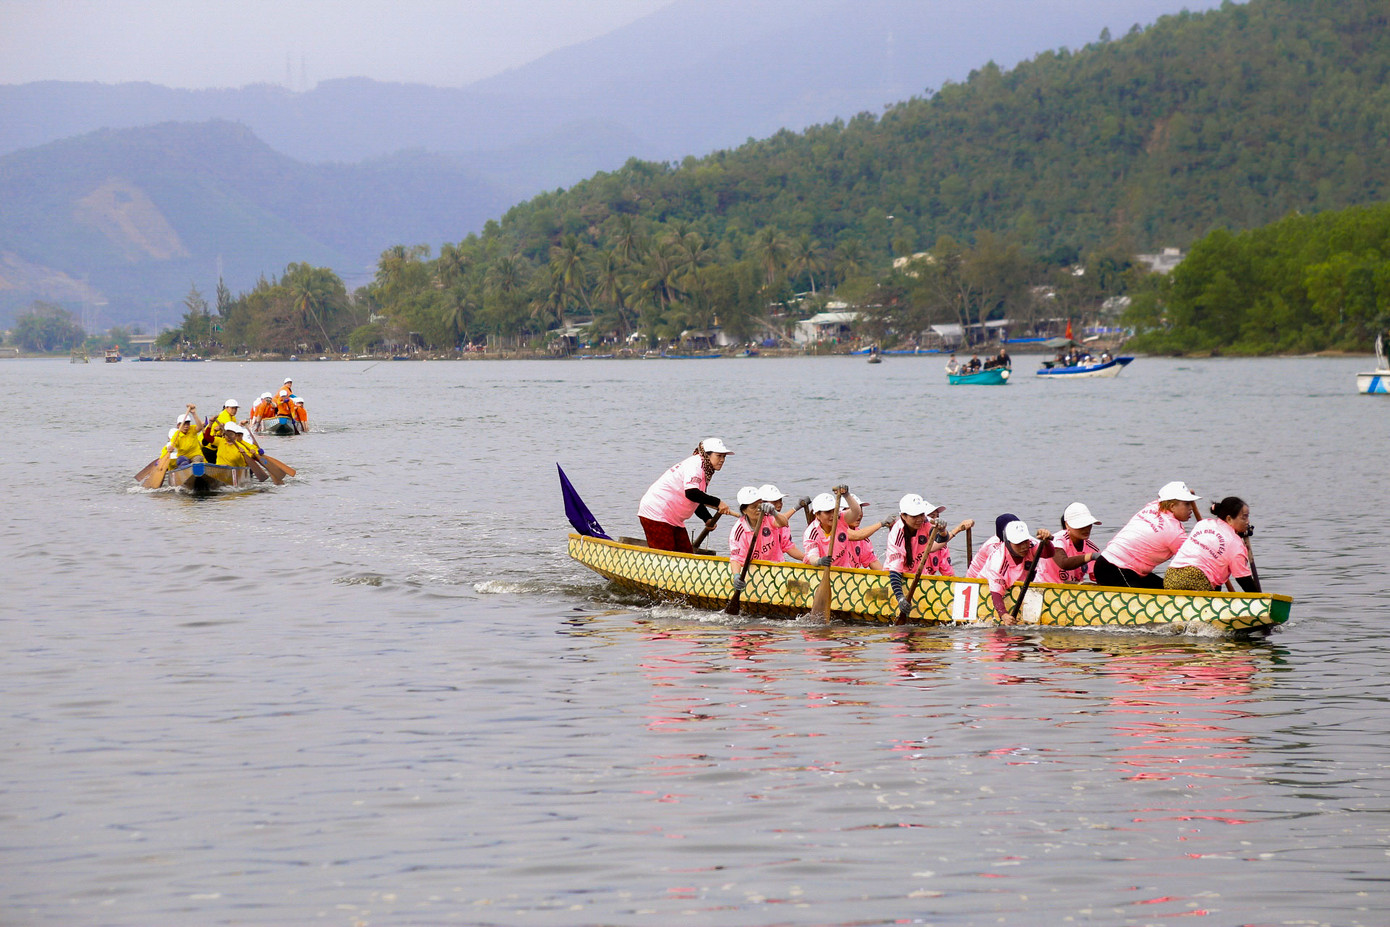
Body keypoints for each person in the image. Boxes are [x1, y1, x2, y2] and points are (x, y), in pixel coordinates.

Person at [1093, 481, 1200, 589]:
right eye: (1187, 504)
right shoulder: (1174, 533)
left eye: (1190, 503)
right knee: (1139, 601)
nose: (1191, 508)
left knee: (1166, 590)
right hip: (1114, 568)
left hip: (1121, 568)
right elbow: (1198, 560)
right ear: (1172, 506)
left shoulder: (1154, 506)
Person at [638, 438, 734, 552]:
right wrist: (718, 502)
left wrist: (707, 518)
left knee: (686, 553)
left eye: (724, 457)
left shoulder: (705, 469)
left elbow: (695, 499)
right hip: (656, 512)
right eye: (719, 456)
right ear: (707, 455)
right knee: (667, 556)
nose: (722, 460)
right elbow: (692, 493)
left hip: (673, 518)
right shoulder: (696, 464)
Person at [1165, 497, 1260, 593]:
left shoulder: (1203, 523)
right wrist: (1260, 599)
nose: (1248, 522)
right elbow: (1243, 578)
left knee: (1216, 580)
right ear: (1229, 519)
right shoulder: (1235, 544)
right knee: (1211, 579)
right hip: (1195, 580)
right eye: (1244, 517)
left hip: (1170, 577)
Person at [972, 519, 1054, 624]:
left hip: (1017, 586)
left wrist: (1047, 543)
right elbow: (996, 592)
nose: (1024, 546)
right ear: (1008, 543)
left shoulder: (1031, 544)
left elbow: (1048, 554)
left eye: (1025, 541)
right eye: (1018, 543)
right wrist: (1004, 615)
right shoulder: (998, 560)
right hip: (987, 590)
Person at [884, 494, 952, 614]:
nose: (919, 519)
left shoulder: (925, 522)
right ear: (903, 516)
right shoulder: (897, 534)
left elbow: (941, 539)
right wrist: (900, 598)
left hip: (918, 575)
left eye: (921, 514)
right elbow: (895, 571)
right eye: (914, 516)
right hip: (897, 579)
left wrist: (942, 530)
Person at [728, 487, 804, 579]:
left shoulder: (769, 516)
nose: (758, 510)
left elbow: (784, 523)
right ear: (744, 510)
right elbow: (736, 558)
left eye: (759, 506)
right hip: (754, 572)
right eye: (753, 507)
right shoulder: (739, 530)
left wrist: (774, 512)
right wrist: (736, 576)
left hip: (778, 568)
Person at [802, 488, 886, 567]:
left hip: (844, 571)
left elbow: (856, 512)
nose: (832, 515)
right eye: (827, 512)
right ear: (817, 515)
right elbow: (812, 556)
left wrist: (846, 494)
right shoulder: (811, 532)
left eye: (834, 510)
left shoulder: (840, 518)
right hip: (819, 569)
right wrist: (819, 561)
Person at [1048, 502, 1103, 584]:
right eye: (1081, 525)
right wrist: (1091, 556)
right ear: (1067, 525)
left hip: (1073, 590)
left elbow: (1099, 578)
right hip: (1046, 586)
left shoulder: (1092, 548)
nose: (1086, 529)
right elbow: (1064, 563)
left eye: (1088, 524)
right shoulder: (1057, 540)